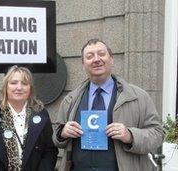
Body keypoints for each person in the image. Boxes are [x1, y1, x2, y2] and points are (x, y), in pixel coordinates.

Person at [52, 39, 165, 171]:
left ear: (111, 59)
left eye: (101, 54)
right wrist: (62, 133)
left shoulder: (138, 97)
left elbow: (158, 134)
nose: (96, 59)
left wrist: (130, 136)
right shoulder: (70, 99)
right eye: (89, 56)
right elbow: (56, 136)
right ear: (83, 65)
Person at [0, 65, 58, 170]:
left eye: (24, 83)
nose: (19, 87)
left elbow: (50, 152)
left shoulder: (41, 113)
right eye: (13, 83)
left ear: (30, 88)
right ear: (6, 87)